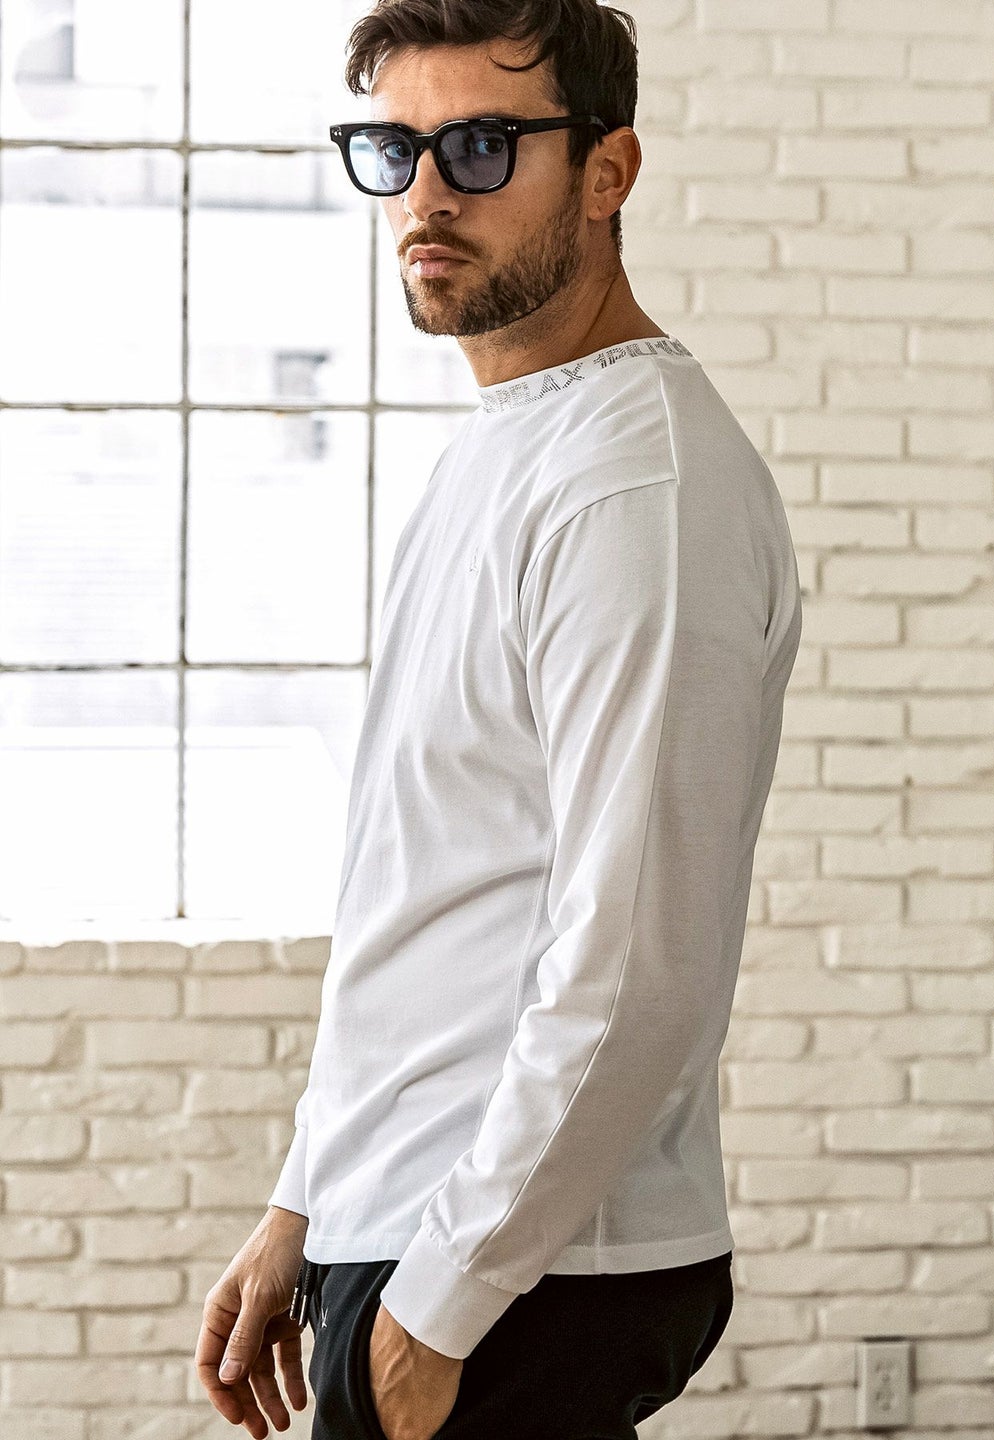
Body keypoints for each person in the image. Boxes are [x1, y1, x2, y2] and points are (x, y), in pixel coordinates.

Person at [194, 1, 803, 1436]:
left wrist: (434, 1313)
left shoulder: (634, 491)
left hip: (518, 1275)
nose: (426, 195)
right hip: (416, 1232)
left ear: (608, 171)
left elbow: (638, 960)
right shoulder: (513, 443)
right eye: (391, 150)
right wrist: (308, 1200)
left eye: (479, 146)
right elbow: (429, 891)